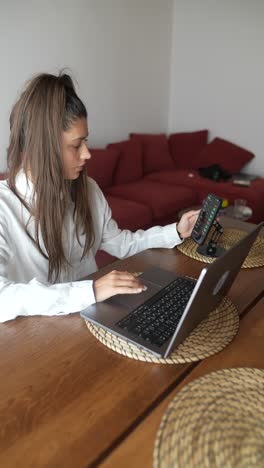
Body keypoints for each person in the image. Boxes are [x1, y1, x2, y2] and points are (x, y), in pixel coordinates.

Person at [0, 72, 199, 323]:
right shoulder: (3, 208)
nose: (87, 154)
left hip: (93, 319)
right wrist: (91, 291)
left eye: (86, 142)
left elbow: (121, 243)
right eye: (76, 145)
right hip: (40, 338)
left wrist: (177, 232)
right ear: (41, 146)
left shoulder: (88, 190)